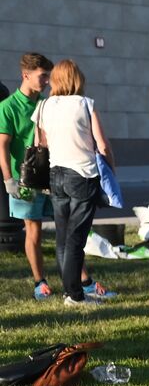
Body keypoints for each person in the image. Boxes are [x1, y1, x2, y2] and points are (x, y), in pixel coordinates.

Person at [32, 59, 116, 307]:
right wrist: (111, 168)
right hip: (83, 174)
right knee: (76, 238)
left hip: (56, 174)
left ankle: (71, 291)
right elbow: (102, 144)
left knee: (62, 237)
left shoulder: (44, 106)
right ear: (77, 79)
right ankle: (74, 294)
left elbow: (41, 145)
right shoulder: (85, 104)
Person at [0, 52, 54, 299]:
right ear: (26, 75)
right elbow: (2, 145)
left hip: (52, 176)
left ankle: (81, 278)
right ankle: (39, 282)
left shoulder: (47, 103)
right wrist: (8, 179)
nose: (46, 82)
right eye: (42, 77)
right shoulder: (8, 107)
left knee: (66, 227)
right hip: (26, 179)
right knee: (34, 230)